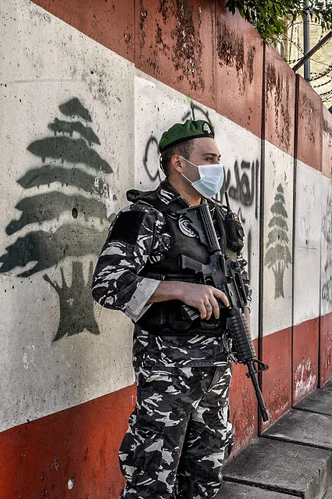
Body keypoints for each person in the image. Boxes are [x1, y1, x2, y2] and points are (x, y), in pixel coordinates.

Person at [92, 120, 249, 499]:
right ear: (179, 163)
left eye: (218, 158)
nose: (217, 167)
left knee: (206, 475)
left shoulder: (217, 219)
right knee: (153, 480)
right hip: (168, 370)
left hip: (214, 368)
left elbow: (234, 283)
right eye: (208, 158)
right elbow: (107, 285)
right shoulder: (146, 216)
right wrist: (178, 289)